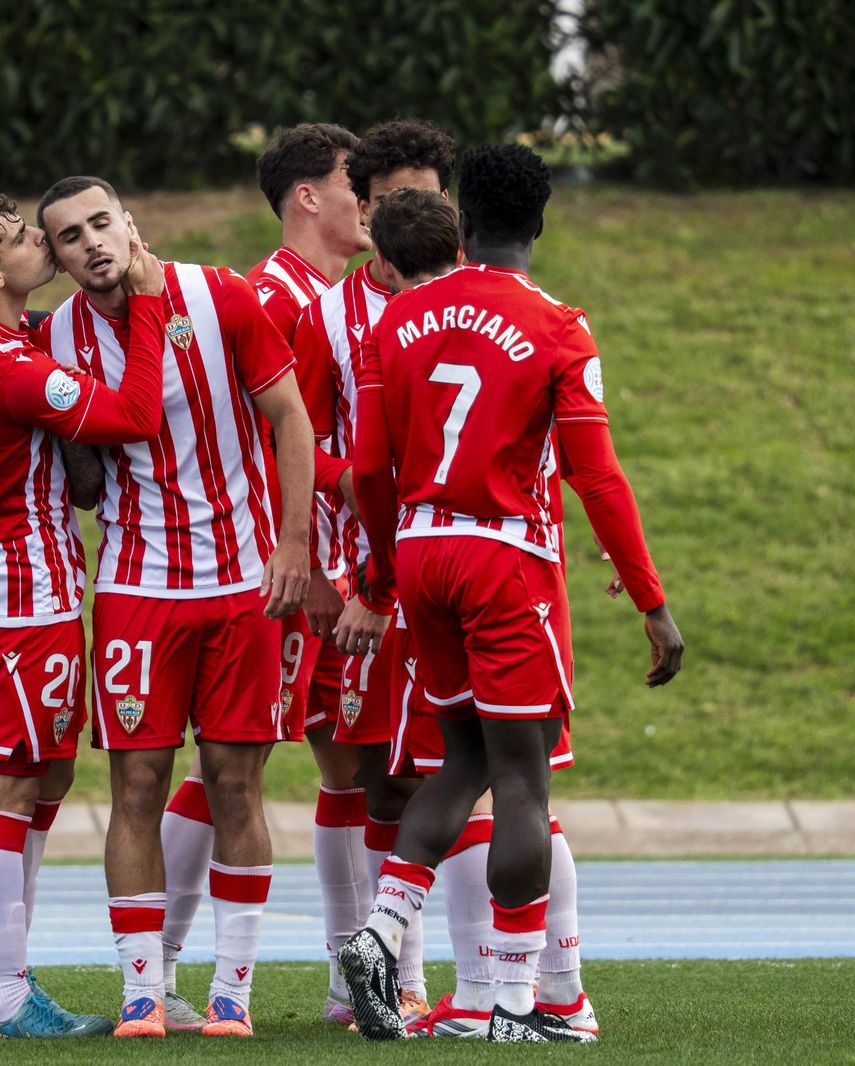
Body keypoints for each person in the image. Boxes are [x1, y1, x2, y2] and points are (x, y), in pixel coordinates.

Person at [339, 145, 684, 1043]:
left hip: (420, 555)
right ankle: (523, 1008)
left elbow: (370, 468)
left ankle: (380, 928)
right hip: (503, 558)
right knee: (524, 779)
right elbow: (595, 476)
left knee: (463, 760)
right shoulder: (558, 324)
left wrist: (379, 576)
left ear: (465, 216)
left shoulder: (398, 319)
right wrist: (649, 598)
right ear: (539, 220)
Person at [39, 175, 316, 1038]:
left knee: (236, 786)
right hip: (135, 589)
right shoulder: (56, 335)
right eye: (68, 237)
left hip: (242, 586)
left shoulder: (220, 293)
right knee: (136, 787)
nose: (90, 242)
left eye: (99, 223)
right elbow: (86, 479)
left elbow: (291, 419)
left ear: (129, 224)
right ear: (53, 258)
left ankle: (233, 992)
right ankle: (142, 991)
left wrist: (295, 545)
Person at [0, 192, 169, 1038]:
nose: (43, 244)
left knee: (47, 778)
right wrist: (153, 306)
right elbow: (133, 417)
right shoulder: (11, 365)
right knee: (11, 787)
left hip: (15, 579)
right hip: (23, 593)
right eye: (25, 239)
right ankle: (4, 994)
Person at [154, 122, 373, 1030]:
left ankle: (347, 975)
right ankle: (158, 965)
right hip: (290, 576)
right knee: (230, 766)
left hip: (345, 570)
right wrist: (317, 546)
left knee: (349, 765)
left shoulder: (350, 290)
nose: (368, 201)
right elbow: (261, 442)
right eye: (354, 182)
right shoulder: (267, 297)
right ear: (309, 197)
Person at [292, 118, 457, 1030]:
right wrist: (353, 511)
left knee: (459, 769)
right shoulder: (331, 312)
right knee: (362, 774)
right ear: (364, 205)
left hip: (455, 575)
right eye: (390, 198)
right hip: (365, 581)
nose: (404, 215)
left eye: (423, 198)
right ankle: (353, 971)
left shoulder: (485, 299)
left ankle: (479, 977)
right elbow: (304, 439)